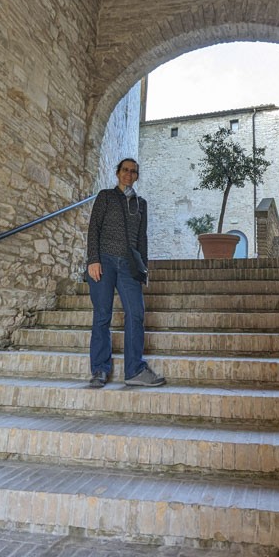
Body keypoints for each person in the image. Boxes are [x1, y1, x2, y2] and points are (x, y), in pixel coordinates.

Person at [86, 157, 165, 388]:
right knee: (102, 315)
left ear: (137, 176)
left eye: (133, 171)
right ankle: (100, 369)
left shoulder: (141, 204)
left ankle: (134, 370)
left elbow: (142, 238)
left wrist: (144, 268)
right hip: (104, 261)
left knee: (137, 313)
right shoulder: (105, 196)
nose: (128, 174)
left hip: (129, 265)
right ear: (118, 172)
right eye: (125, 170)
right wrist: (93, 260)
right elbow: (94, 229)